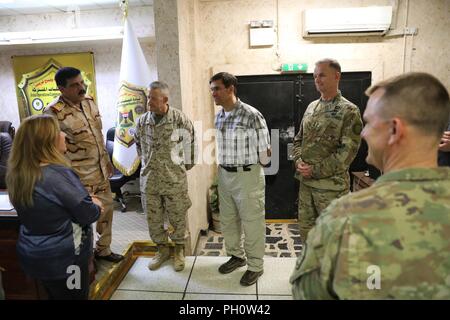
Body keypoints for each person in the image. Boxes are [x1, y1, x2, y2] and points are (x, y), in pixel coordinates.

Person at [290, 72, 450, 299]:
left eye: (370, 123)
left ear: (394, 130)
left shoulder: (346, 218)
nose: (363, 133)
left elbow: (307, 293)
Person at [6, 114, 102, 299]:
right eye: (58, 132)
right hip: (67, 260)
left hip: (35, 256)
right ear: (46, 141)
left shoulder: (18, 175)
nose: (64, 135)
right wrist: (95, 204)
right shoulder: (57, 174)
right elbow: (88, 214)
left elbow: (49, 205)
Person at [44, 67, 123, 263]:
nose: (82, 87)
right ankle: (84, 260)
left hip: (100, 170)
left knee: (106, 211)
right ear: (62, 89)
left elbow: (97, 136)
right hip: (77, 177)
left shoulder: (89, 102)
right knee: (82, 220)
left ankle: (103, 250)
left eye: (82, 82)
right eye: (75, 85)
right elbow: (51, 149)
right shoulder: (53, 112)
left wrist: (106, 161)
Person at [292, 58, 363, 242]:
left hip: (331, 190)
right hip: (306, 186)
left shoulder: (349, 111)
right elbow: (299, 139)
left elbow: (346, 154)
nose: (317, 79)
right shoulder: (311, 107)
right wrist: (299, 161)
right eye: (315, 76)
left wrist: (314, 170)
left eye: (322, 75)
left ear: (337, 76)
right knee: (307, 235)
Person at [211, 72, 271, 286]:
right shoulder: (219, 116)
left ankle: (255, 266)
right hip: (225, 175)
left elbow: (266, 152)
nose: (213, 94)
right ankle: (236, 256)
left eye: (217, 88)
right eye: (211, 89)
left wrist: (254, 167)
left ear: (230, 89)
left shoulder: (251, 115)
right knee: (228, 220)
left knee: (252, 222)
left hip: (247, 176)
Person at [134, 81, 196, 272]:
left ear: (165, 99)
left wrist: (180, 168)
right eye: (148, 98)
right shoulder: (142, 122)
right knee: (154, 220)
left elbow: (191, 146)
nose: (148, 102)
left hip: (174, 181)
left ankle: (178, 250)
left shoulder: (179, 119)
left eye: (152, 98)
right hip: (149, 181)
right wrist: (147, 164)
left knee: (177, 218)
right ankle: (162, 250)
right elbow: (139, 147)